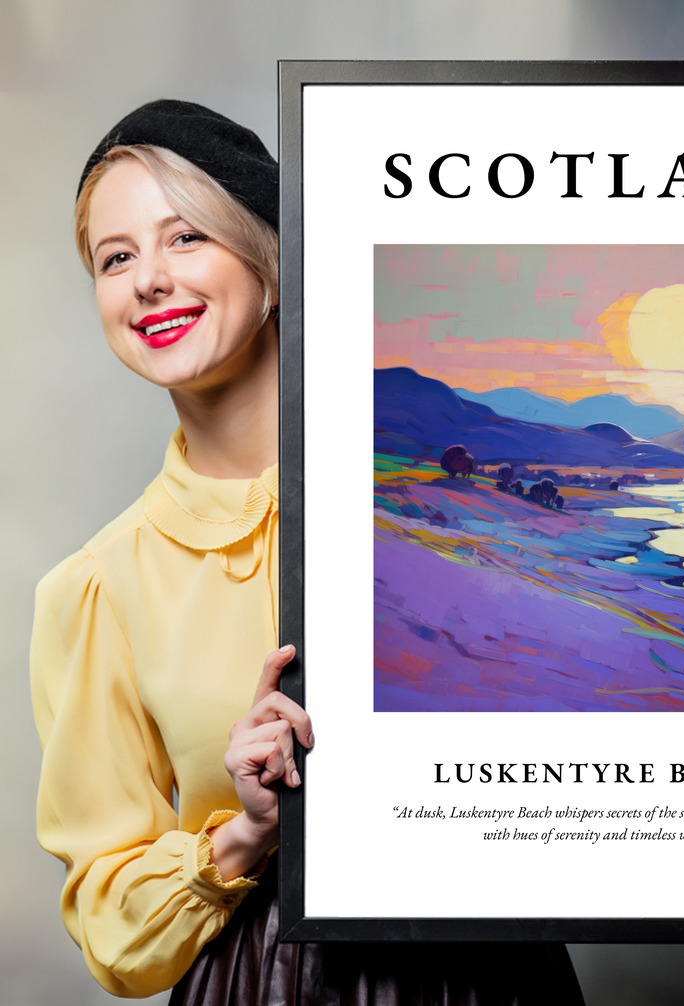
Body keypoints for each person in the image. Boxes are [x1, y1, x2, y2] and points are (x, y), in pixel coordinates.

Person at [30, 100, 585, 1004]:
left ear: (273, 263)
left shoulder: (428, 512)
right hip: (263, 982)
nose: (148, 281)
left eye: (186, 238)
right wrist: (244, 832)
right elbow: (110, 924)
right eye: (116, 257)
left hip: (494, 974)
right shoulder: (97, 587)